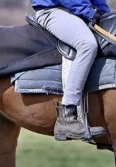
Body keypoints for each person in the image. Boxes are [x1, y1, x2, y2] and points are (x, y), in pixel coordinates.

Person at [31, 0, 111, 141]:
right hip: (54, 11)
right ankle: (67, 115)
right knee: (87, 45)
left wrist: (107, 15)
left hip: (76, 12)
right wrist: (90, 13)